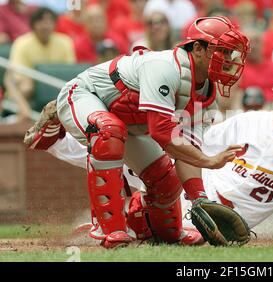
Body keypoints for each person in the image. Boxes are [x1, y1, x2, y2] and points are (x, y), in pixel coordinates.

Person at [35, 70, 273, 242]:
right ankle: (54, 140)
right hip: (196, 193)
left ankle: (112, 222)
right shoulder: (250, 121)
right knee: (124, 155)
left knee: (151, 226)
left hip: (221, 222)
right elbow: (197, 148)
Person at [23, 16, 250, 249]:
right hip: (86, 94)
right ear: (199, 49)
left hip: (128, 122)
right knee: (108, 133)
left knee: (167, 179)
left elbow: (186, 152)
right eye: (222, 51)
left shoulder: (208, 99)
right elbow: (162, 133)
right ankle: (110, 230)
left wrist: (199, 197)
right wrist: (209, 161)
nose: (229, 60)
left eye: (231, 53)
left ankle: (161, 233)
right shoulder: (165, 67)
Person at [5, 7, 75, 121]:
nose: (46, 26)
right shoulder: (22, 43)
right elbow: (17, 76)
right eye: (42, 21)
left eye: (50, 21)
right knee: (26, 86)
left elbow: (69, 72)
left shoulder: (65, 42)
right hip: (28, 90)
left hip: (56, 88)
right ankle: (22, 119)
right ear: (33, 24)